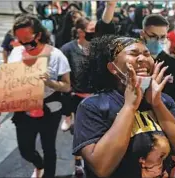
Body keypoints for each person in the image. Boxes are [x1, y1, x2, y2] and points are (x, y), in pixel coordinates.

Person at [73, 35, 175, 178]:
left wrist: (157, 104)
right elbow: (101, 168)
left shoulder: (165, 101)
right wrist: (129, 107)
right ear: (113, 68)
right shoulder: (93, 107)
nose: (142, 59)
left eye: (147, 54)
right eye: (134, 54)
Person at [0, 14, 71, 178]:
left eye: (27, 38)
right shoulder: (16, 52)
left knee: (48, 147)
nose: (23, 43)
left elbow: (67, 86)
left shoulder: (56, 56)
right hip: (23, 109)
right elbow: (8, 83)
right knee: (25, 149)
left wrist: (50, 83)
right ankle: (39, 164)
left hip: (49, 109)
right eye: (19, 39)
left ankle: (48, 174)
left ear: (38, 35)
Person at [60, 17, 94, 176]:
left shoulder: (99, 49)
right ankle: (79, 161)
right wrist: (67, 110)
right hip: (77, 98)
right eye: (91, 31)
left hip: (96, 99)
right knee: (79, 133)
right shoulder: (67, 49)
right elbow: (63, 78)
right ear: (81, 32)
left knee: (95, 132)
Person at [140, 14, 175, 125]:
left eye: (162, 37)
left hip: (165, 124)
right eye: (153, 36)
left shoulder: (174, 66)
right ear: (142, 34)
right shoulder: (134, 62)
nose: (158, 41)